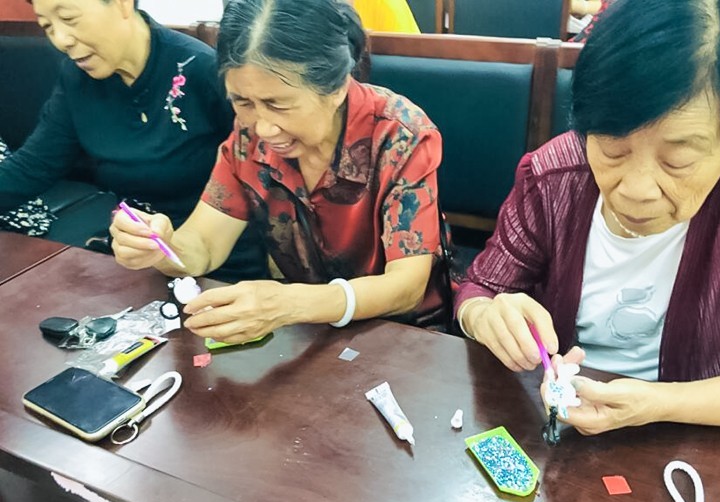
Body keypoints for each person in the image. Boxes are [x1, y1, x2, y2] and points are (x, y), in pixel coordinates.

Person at [457, 0, 720, 436]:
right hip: (557, 431)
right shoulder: (553, 175)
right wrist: (484, 316)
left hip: (700, 440)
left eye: (677, 161)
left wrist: (660, 403)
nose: (636, 190)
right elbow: (481, 288)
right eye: (612, 148)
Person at [111, 0, 448, 341]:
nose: (263, 128)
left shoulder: (399, 135)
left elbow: (407, 288)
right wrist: (160, 247)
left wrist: (291, 303)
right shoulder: (248, 138)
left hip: (409, 335)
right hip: (309, 331)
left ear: (336, 89)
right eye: (242, 102)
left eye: (278, 105)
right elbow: (204, 246)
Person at [1, 0, 263, 281]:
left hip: (219, 263)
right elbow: (34, 165)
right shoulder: (77, 78)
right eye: (48, 26)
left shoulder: (200, 69)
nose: (61, 40)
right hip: (136, 255)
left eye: (69, 19)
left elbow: (262, 167)